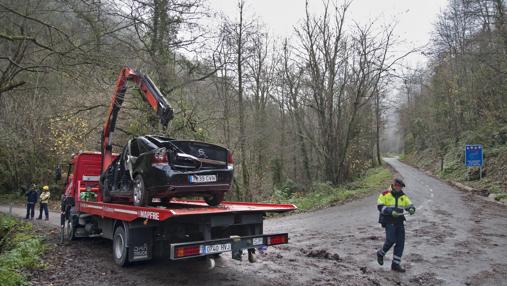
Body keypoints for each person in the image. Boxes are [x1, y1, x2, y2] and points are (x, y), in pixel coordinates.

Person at [376, 177, 416, 272]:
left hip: (399, 221)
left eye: (401, 187)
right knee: (390, 240)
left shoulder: (403, 196)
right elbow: (380, 206)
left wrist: (411, 209)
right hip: (389, 221)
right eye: (399, 186)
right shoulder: (385, 194)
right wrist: (390, 211)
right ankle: (381, 253)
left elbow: (409, 204)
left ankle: (395, 264)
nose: (400, 188)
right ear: (394, 185)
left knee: (400, 242)